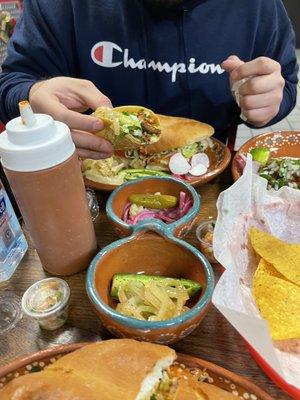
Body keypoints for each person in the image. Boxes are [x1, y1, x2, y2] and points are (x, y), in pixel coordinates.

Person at [0, 0, 298, 160]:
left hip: (204, 178)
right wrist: (34, 96)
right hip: (89, 186)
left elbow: (285, 83)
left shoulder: (259, 7)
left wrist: (266, 103)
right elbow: (11, 85)